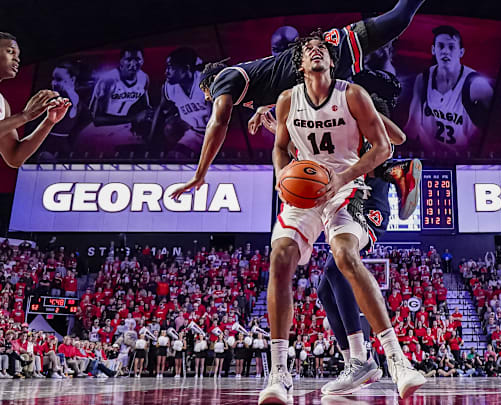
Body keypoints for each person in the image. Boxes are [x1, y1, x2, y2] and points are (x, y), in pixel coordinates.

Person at [257, 32, 425, 404]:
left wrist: (343, 176)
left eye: (322, 49)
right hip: (306, 188)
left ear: (333, 62)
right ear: (299, 65)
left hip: (347, 186)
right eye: (307, 50)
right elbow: (280, 148)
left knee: (344, 259)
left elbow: (387, 143)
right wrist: (282, 179)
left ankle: (397, 361)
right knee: (281, 258)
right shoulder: (287, 101)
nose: (315, 52)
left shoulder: (354, 95)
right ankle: (280, 373)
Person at [171, 0, 426, 218]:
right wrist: (261, 109)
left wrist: (200, 172)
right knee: (321, 145)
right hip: (317, 85)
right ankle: (396, 168)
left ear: (210, 84)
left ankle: (394, 167)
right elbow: (271, 81)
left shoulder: (224, 79)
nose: (209, 99)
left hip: (322, 57)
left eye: (208, 95)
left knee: (398, 18)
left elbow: (218, 122)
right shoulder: (252, 89)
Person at [404, 25, 492, 154]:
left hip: (463, 159)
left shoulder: (476, 84)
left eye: (451, 47)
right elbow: (412, 126)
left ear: (461, 52)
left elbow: (497, 126)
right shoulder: (423, 79)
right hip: (429, 158)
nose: (445, 51)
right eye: (440, 46)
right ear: (433, 50)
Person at [0, 32, 72, 167]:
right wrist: (25, 116)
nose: (17, 59)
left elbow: (14, 157)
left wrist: (48, 122)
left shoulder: (2, 102)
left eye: (18, 55)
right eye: (10, 52)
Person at [77, 45, 152, 154]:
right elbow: (97, 119)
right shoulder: (109, 80)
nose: (133, 64)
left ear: (143, 61)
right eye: (129, 59)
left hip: (122, 126)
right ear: (121, 61)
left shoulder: (143, 78)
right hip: (97, 130)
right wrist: (133, 118)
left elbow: (145, 107)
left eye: (137, 59)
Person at [150, 47, 211, 156]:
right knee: (174, 153)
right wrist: (151, 138)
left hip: (219, 134)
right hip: (195, 133)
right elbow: (160, 110)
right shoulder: (168, 87)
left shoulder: (205, 81)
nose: (166, 72)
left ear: (185, 68)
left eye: (170, 67)